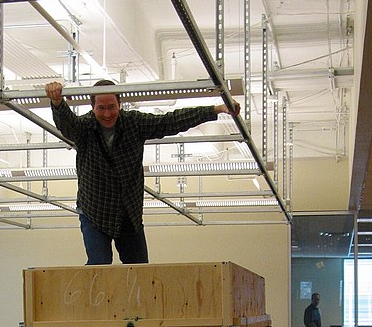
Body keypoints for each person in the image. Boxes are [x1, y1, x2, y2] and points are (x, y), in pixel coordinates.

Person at [45, 79, 241, 265]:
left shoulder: (134, 123)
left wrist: (216, 109)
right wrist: (57, 102)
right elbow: (68, 126)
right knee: (99, 264)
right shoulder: (85, 128)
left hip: (128, 212)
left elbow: (171, 121)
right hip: (95, 210)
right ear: (93, 108)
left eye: (111, 107)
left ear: (120, 105)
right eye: (101, 108)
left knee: (140, 270)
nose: (107, 114)